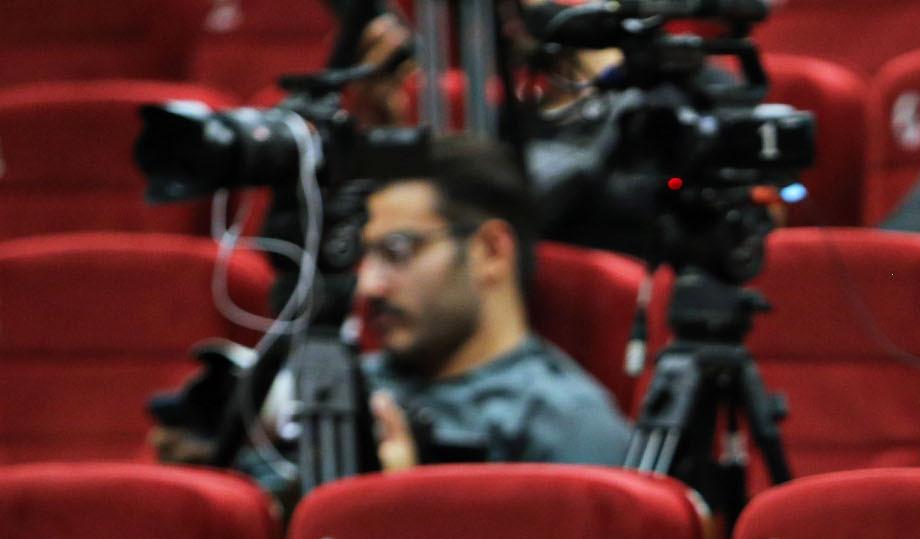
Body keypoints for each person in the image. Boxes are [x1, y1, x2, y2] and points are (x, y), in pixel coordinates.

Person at [152, 135, 631, 482]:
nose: (368, 285)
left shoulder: (566, 424)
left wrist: (398, 506)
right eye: (363, 256)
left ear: (490, 252)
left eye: (397, 251)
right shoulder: (342, 387)